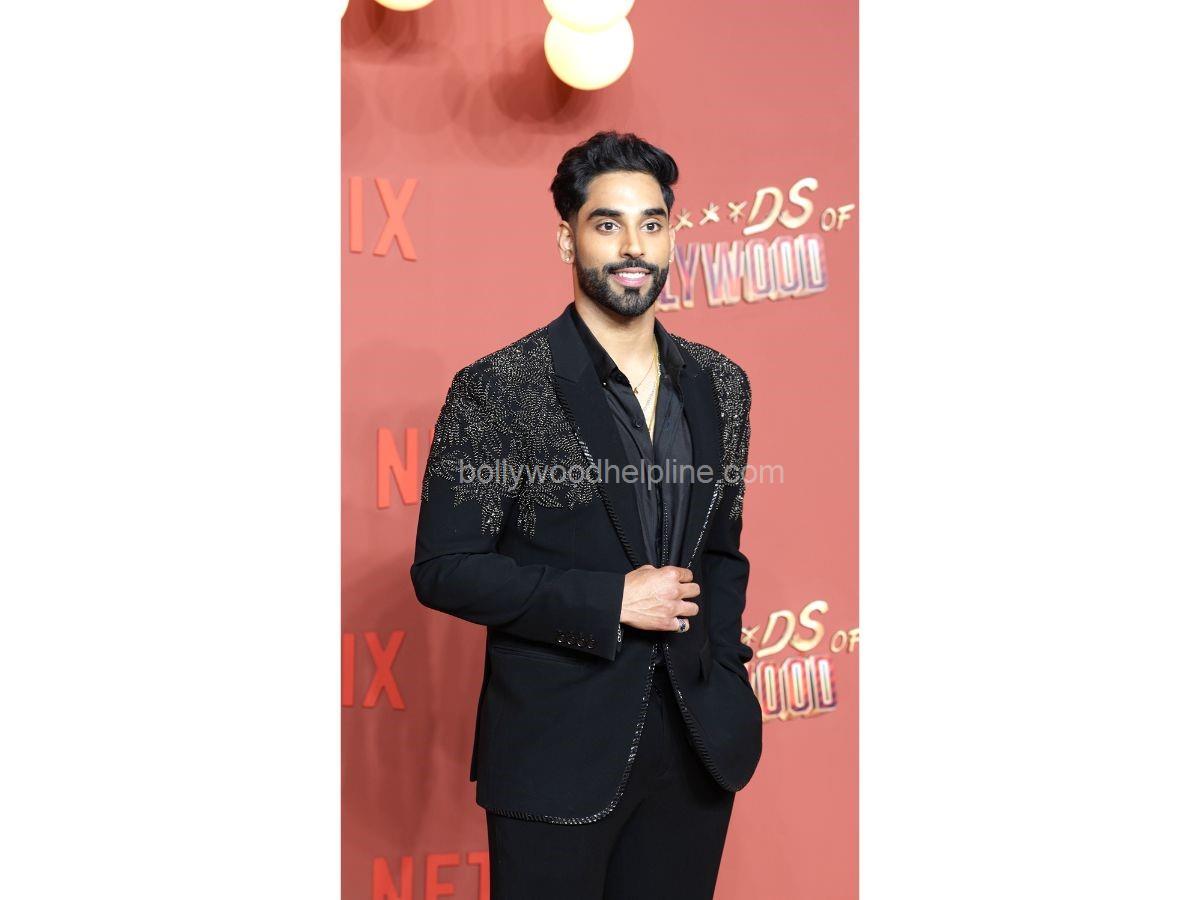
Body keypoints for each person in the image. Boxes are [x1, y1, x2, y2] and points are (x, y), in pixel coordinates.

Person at [410, 130, 761, 899]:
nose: (633, 246)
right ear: (567, 238)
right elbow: (444, 569)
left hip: (697, 748)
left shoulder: (721, 385)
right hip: (556, 750)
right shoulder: (501, 388)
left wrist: (726, 672)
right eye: (608, 223)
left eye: (651, 223)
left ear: (671, 234)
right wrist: (611, 601)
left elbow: (722, 553)